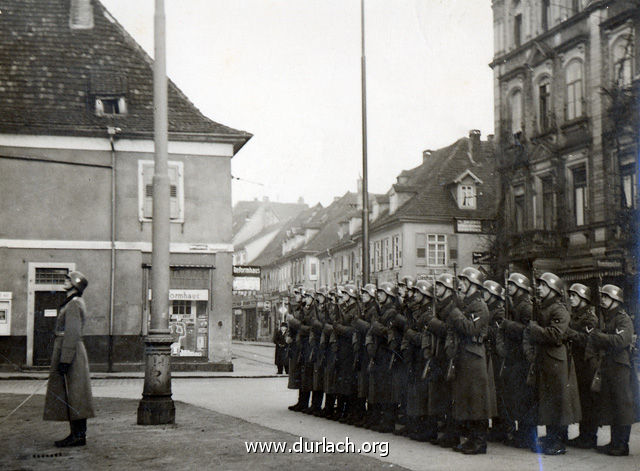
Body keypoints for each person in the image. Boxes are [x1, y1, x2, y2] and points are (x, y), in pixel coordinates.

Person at [524, 272, 581, 456]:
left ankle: (558, 441)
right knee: (548, 401)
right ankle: (550, 437)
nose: (539, 288)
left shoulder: (559, 310)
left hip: (556, 360)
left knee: (558, 401)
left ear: (552, 289)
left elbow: (555, 334)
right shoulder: (544, 307)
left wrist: (534, 330)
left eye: (543, 285)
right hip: (546, 359)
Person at [446, 267, 496, 455]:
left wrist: (456, 313)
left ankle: (480, 442)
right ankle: (471, 439)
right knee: (466, 399)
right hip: (465, 356)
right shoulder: (466, 305)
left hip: (474, 356)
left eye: (465, 281)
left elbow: (470, 329)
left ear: (474, 284)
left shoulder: (479, 306)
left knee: (477, 401)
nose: (461, 284)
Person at [43, 271, 95, 447]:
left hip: (70, 352)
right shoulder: (72, 302)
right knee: (72, 394)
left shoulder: (73, 304)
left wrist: (65, 360)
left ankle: (78, 435)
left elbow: (72, 334)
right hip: (69, 350)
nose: (65, 281)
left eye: (68, 279)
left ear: (75, 285)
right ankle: (77, 434)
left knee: (75, 395)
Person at [589, 284, 640, 456]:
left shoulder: (622, 318)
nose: (602, 300)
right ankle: (614, 442)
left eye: (606, 297)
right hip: (609, 365)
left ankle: (622, 445)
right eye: (602, 297)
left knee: (622, 405)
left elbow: (621, 341)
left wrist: (601, 337)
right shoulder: (608, 318)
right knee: (611, 404)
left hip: (620, 367)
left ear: (615, 300)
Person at [500, 272, 536, 449]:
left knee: (524, 399)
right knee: (517, 398)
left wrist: (508, 325)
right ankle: (520, 434)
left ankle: (526, 436)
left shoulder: (526, 306)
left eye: (512, 285)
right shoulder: (515, 304)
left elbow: (528, 330)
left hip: (523, 358)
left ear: (520, 287)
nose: (509, 287)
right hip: (515, 356)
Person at [565, 283, 599, 449]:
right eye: (570, 295)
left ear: (583, 298)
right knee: (580, 399)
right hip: (577, 362)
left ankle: (589, 437)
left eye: (574, 296)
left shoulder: (590, 317)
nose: (571, 298)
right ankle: (583, 435)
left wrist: (569, 333)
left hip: (587, 363)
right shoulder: (575, 315)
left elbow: (587, 340)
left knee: (588, 400)